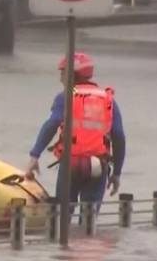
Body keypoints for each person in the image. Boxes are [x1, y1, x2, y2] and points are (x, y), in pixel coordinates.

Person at [26, 51, 126, 214]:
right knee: (89, 220)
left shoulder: (67, 95)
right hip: (98, 166)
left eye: (63, 73)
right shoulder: (107, 99)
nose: (60, 78)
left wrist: (35, 155)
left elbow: (52, 123)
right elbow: (119, 136)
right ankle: (86, 237)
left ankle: (61, 239)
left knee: (62, 218)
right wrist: (117, 173)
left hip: (70, 164)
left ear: (72, 74)